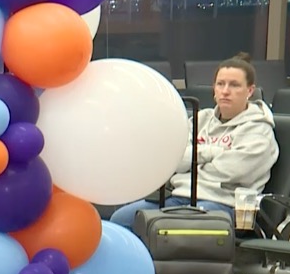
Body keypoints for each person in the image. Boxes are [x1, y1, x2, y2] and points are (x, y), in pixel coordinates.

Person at [110, 52, 279, 230]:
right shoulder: (201, 119)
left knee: (173, 228)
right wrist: (212, 153)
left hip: (223, 205)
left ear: (250, 91)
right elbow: (174, 160)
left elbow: (232, 171)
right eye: (220, 84)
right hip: (178, 198)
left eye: (234, 85)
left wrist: (192, 164)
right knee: (121, 219)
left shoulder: (259, 129)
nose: (226, 91)